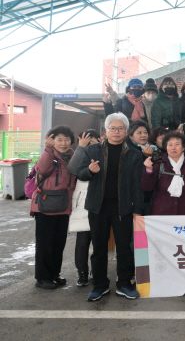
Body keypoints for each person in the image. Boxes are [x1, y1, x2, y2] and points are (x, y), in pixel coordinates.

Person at [77, 113, 144, 301]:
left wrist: (137, 209)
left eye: (120, 128)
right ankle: (99, 285)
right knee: (99, 247)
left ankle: (124, 283)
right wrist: (90, 171)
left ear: (126, 131)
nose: (116, 132)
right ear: (106, 131)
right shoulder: (93, 151)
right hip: (97, 207)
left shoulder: (134, 154)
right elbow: (80, 173)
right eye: (112, 128)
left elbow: (137, 185)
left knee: (124, 247)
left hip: (123, 207)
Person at [30, 126, 77, 290]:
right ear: (52, 140)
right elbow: (42, 169)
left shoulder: (72, 156)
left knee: (59, 242)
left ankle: (54, 274)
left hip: (63, 204)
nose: (64, 143)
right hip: (45, 204)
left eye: (67, 139)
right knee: (45, 243)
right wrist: (48, 149)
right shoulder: (49, 154)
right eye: (59, 139)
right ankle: (42, 277)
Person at [67, 129, 101, 287]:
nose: (90, 145)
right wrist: (81, 147)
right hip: (82, 201)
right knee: (82, 241)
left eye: (93, 141)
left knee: (99, 241)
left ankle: (96, 270)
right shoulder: (80, 153)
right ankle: (82, 273)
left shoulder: (102, 150)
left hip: (100, 199)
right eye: (88, 142)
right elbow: (73, 169)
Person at [142, 131, 185, 215]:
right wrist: (149, 171)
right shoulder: (159, 164)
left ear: (183, 147)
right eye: (170, 145)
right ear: (166, 147)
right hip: (161, 214)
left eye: (177, 144)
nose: (173, 148)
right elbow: (147, 188)